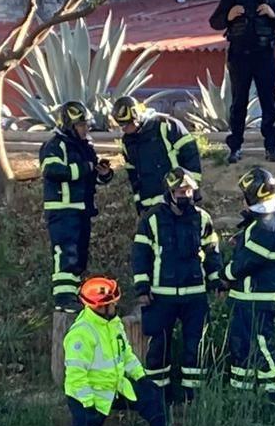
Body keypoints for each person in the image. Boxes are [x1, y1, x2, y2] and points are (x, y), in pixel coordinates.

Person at [63, 276, 167, 426]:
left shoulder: (113, 324)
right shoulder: (82, 333)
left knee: (154, 399)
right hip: (88, 397)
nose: (115, 305)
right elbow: (76, 375)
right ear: (99, 306)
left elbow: (126, 355)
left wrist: (141, 377)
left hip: (116, 388)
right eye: (111, 303)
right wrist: (87, 404)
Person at [131, 168, 223, 402]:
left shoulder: (202, 217)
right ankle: (157, 398)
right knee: (158, 346)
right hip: (161, 296)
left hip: (195, 295)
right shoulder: (152, 218)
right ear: (169, 192)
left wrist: (216, 282)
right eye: (180, 191)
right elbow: (140, 254)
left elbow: (212, 252)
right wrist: (142, 287)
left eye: (189, 190)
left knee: (196, 345)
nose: (186, 195)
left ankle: (192, 398)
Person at [208, 0, 275, 164]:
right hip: (240, 57)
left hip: (264, 55)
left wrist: (273, 14)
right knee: (239, 103)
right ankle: (235, 147)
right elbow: (214, 22)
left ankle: (272, 148)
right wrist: (228, 16)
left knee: (268, 103)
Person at [40, 101, 113, 310]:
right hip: (62, 209)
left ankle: (74, 296)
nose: (86, 129)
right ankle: (63, 300)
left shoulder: (86, 147)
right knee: (65, 253)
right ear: (69, 126)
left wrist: (103, 173)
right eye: (81, 125)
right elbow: (53, 171)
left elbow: (90, 178)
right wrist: (86, 167)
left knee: (80, 255)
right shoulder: (55, 145)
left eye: (86, 125)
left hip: (82, 209)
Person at [223, 166, 275, 397]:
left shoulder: (265, 224)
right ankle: (242, 394)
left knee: (261, 344)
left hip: (256, 298)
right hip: (248, 297)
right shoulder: (265, 220)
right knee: (242, 346)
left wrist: (225, 275)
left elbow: (247, 262)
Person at [112, 96, 202, 213]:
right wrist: (138, 202)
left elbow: (191, 156)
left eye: (127, 125)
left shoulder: (167, 126)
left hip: (176, 200)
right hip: (150, 206)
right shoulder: (127, 142)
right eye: (121, 126)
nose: (124, 129)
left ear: (137, 118)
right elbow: (133, 174)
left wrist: (194, 189)